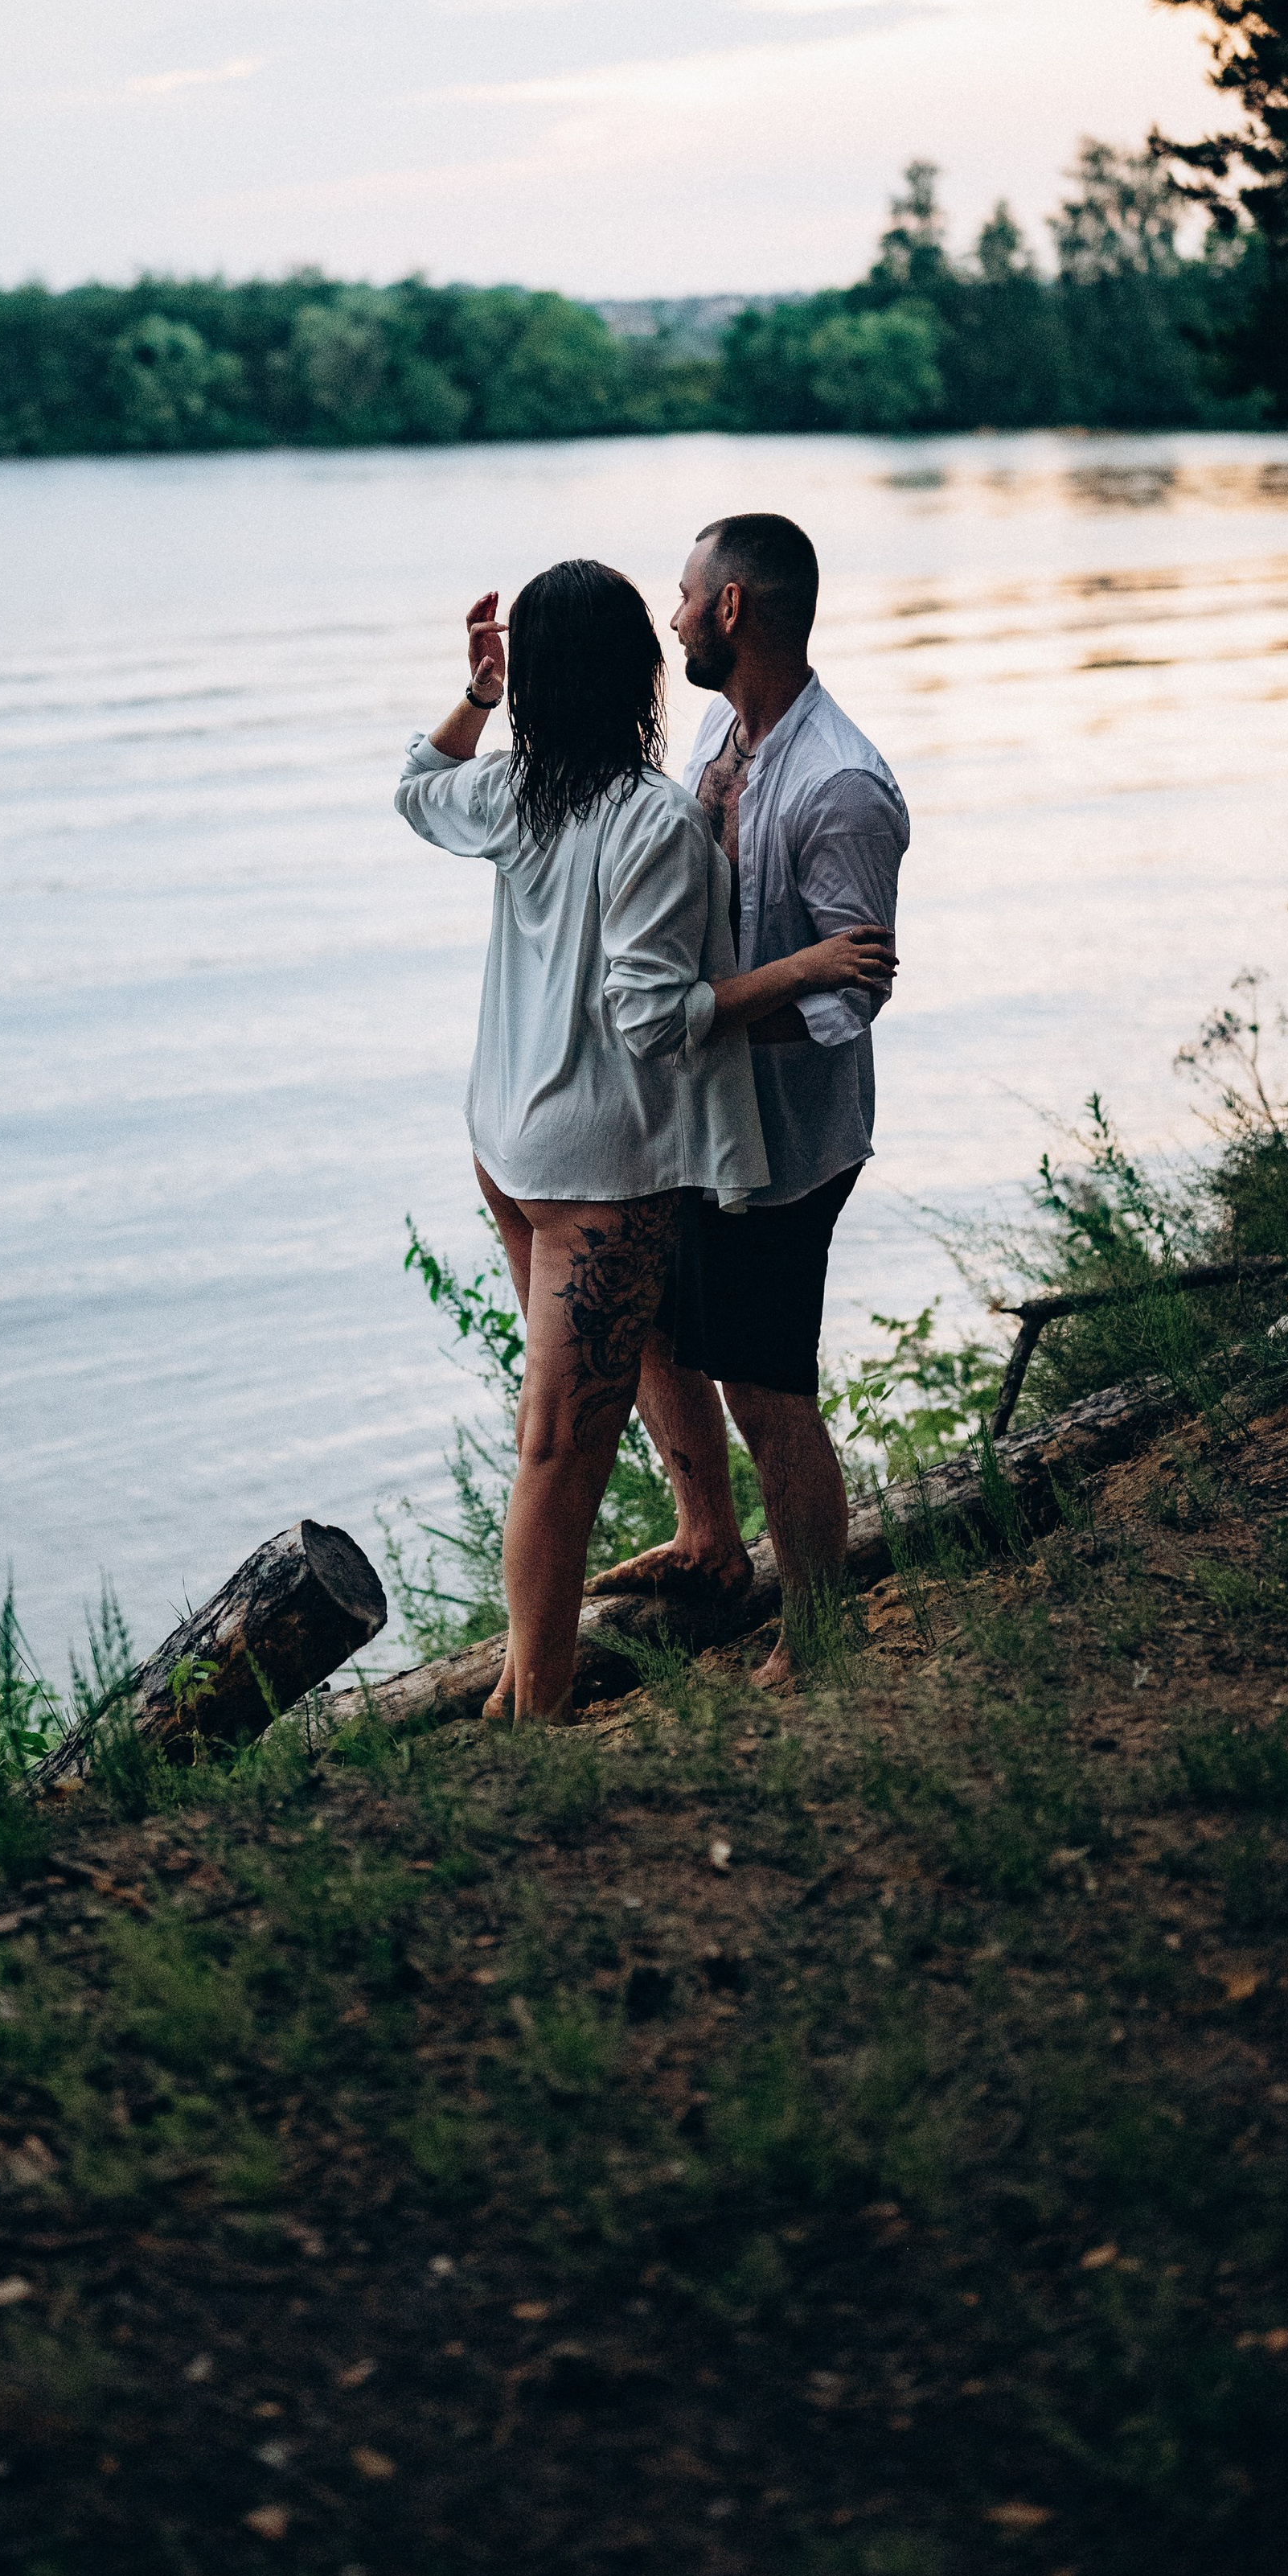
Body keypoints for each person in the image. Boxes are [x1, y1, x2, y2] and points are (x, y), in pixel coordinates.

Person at [396, 558, 896, 1722]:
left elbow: (418, 787)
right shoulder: (654, 820)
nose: (681, 624)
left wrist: (472, 698)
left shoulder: (515, 788)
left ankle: (693, 1550)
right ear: (638, 674)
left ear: (530, 686)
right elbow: (654, 1018)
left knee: (622, 1369)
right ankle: (537, 1702)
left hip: (507, 1144)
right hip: (596, 1174)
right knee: (559, 1446)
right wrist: (809, 966)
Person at [586, 512, 909, 1685]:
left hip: (789, 1143)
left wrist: (700, 1024)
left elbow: (846, 1001)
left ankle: (819, 1636)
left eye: (683, 595)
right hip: (702, 1126)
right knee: (659, 1323)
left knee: (769, 1391)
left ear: (731, 608)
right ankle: (709, 1539)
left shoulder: (841, 786)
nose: (672, 616)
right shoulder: (724, 735)